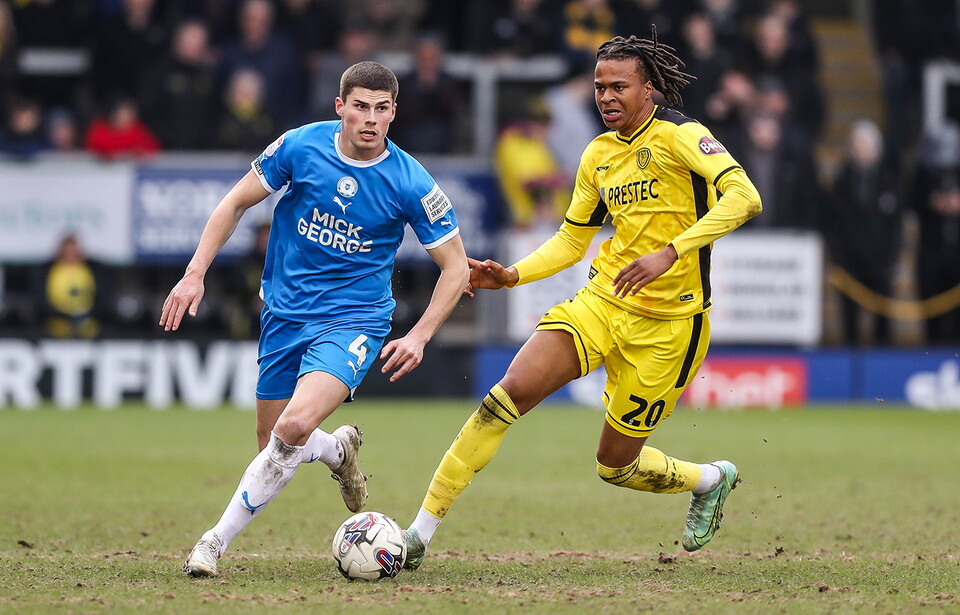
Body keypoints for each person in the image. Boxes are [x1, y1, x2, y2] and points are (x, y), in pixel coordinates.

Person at [400, 30, 762, 570]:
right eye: (599, 87)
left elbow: (746, 196)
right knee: (504, 398)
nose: (607, 97)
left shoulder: (683, 137)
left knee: (614, 466)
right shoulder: (597, 154)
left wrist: (672, 251)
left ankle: (710, 478)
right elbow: (573, 239)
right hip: (602, 302)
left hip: (671, 327)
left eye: (620, 86)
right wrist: (513, 275)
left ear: (649, 89)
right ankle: (418, 534)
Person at [161, 60, 469, 577]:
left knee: (293, 425)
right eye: (360, 107)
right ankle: (337, 449)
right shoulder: (300, 147)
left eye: (381, 108)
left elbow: (456, 267)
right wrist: (195, 273)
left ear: (394, 112)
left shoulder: (411, 181)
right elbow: (236, 202)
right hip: (284, 313)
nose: (370, 119)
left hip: (354, 320)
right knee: (273, 447)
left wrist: (418, 336)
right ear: (340, 108)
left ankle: (213, 542)